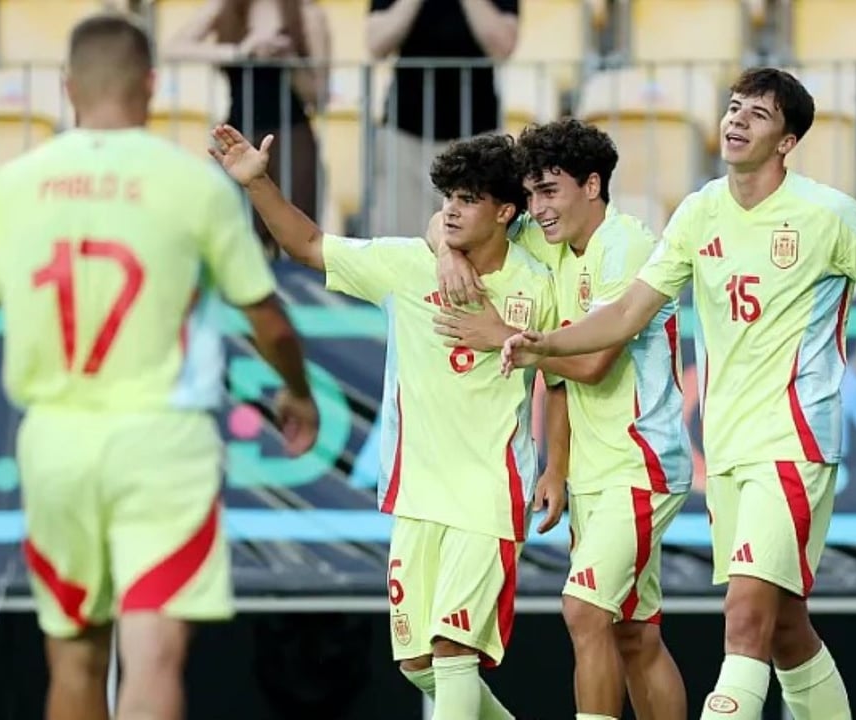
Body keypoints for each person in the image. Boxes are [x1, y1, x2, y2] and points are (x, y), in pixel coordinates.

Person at [501, 67, 856, 720]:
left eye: (756, 114)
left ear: (787, 141)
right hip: (728, 450)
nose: (735, 121)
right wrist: (544, 345)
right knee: (786, 627)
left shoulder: (829, 215)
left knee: (744, 620)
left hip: (793, 442)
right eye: (733, 108)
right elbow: (625, 316)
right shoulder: (698, 211)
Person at [0, 13, 319, 720]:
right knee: (152, 655)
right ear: (153, 86)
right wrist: (298, 394)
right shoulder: (193, 185)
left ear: (67, 87)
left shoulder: (12, 184)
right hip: (164, 444)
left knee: (74, 658)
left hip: (55, 443)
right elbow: (267, 317)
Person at [209, 124, 561, 720]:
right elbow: (311, 244)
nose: (450, 211)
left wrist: (558, 466)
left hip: (489, 492)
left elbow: (565, 374)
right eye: (447, 197)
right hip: (417, 491)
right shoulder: (407, 266)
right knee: (419, 663)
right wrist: (259, 184)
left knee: (454, 650)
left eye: (468, 200)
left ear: (506, 211)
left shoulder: (539, 282)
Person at [429, 118, 690, 720]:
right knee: (635, 633)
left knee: (583, 610)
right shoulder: (554, 245)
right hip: (596, 472)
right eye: (531, 193)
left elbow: (594, 362)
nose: (536, 208)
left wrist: (504, 336)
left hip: (641, 463)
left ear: (592, 185)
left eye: (550, 191)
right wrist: (557, 466)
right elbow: (445, 221)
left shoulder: (625, 244)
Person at [165, 0, 331, 255]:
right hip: (238, 138)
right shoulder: (224, 7)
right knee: (230, 236)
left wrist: (289, 60)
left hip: (292, 139)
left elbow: (319, 97)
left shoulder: (306, 13)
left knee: (297, 236)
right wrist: (240, 51)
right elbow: (172, 49)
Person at [365, 0, 519, 236]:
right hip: (406, 132)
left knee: (477, 245)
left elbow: (503, 45)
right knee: (402, 246)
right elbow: (376, 44)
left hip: (478, 138)